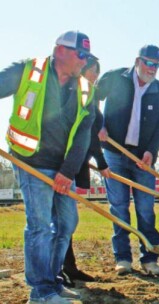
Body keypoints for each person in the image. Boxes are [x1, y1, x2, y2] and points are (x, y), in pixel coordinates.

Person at [0, 30, 97, 303]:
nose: (84, 61)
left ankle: (52, 282)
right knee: (40, 226)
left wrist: (68, 172)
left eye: (87, 56)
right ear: (60, 50)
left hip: (62, 166)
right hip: (31, 160)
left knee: (66, 224)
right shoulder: (28, 71)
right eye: (81, 54)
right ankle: (40, 292)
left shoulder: (86, 90)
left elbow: (83, 135)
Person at [96, 45, 159, 275]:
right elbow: (89, 97)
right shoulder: (115, 78)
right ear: (137, 61)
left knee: (146, 208)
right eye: (149, 63)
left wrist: (151, 151)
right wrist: (98, 124)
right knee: (119, 207)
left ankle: (149, 258)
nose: (152, 69)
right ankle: (123, 259)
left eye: (156, 65)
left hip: (143, 159)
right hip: (114, 152)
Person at [60, 58, 111, 287]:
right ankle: (59, 270)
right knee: (62, 220)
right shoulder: (74, 94)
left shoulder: (89, 96)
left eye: (96, 75)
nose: (93, 78)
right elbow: (87, 134)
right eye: (91, 73)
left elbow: (90, 135)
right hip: (64, 164)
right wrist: (102, 162)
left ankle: (68, 267)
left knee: (67, 219)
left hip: (76, 162)